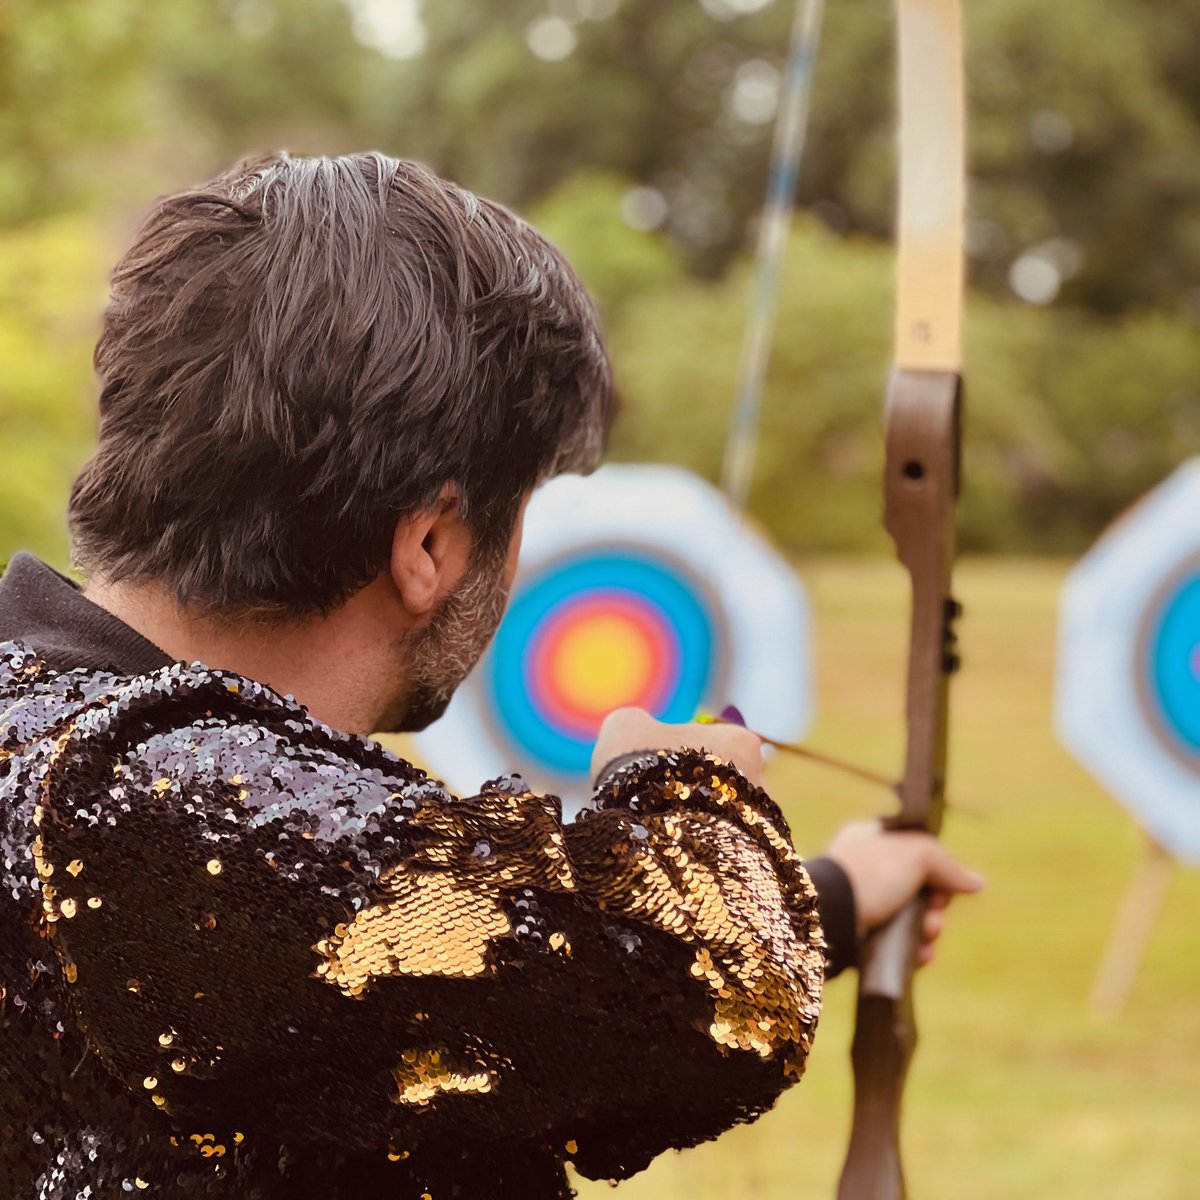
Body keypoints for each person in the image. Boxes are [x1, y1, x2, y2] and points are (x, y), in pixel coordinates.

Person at [0, 152, 981, 1200]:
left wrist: (829, 895)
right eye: (522, 517)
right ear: (427, 544)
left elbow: (448, 983)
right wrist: (692, 801)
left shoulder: (75, 763)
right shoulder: (151, 807)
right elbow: (698, 988)